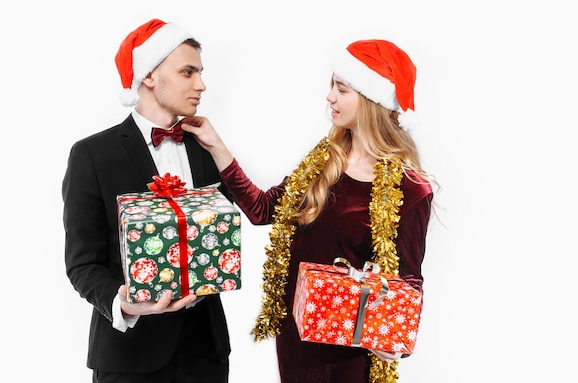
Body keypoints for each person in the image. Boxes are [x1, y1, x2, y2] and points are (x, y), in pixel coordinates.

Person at [182, 39, 436, 383]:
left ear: (371, 100)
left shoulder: (410, 189)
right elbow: (261, 209)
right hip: (297, 334)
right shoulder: (324, 161)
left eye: (341, 88)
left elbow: (409, 278)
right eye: (332, 86)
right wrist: (216, 146)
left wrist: (396, 340)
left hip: (348, 346)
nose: (329, 96)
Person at [62, 18, 231, 383]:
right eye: (188, 72)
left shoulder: (205, 147)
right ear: (150, 76)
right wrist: (123, 302)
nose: (201, 85)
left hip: (206, 352)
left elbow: (234, 220)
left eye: (200, 73)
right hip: (130, 356)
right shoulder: (92, 155)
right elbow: (82, 263)